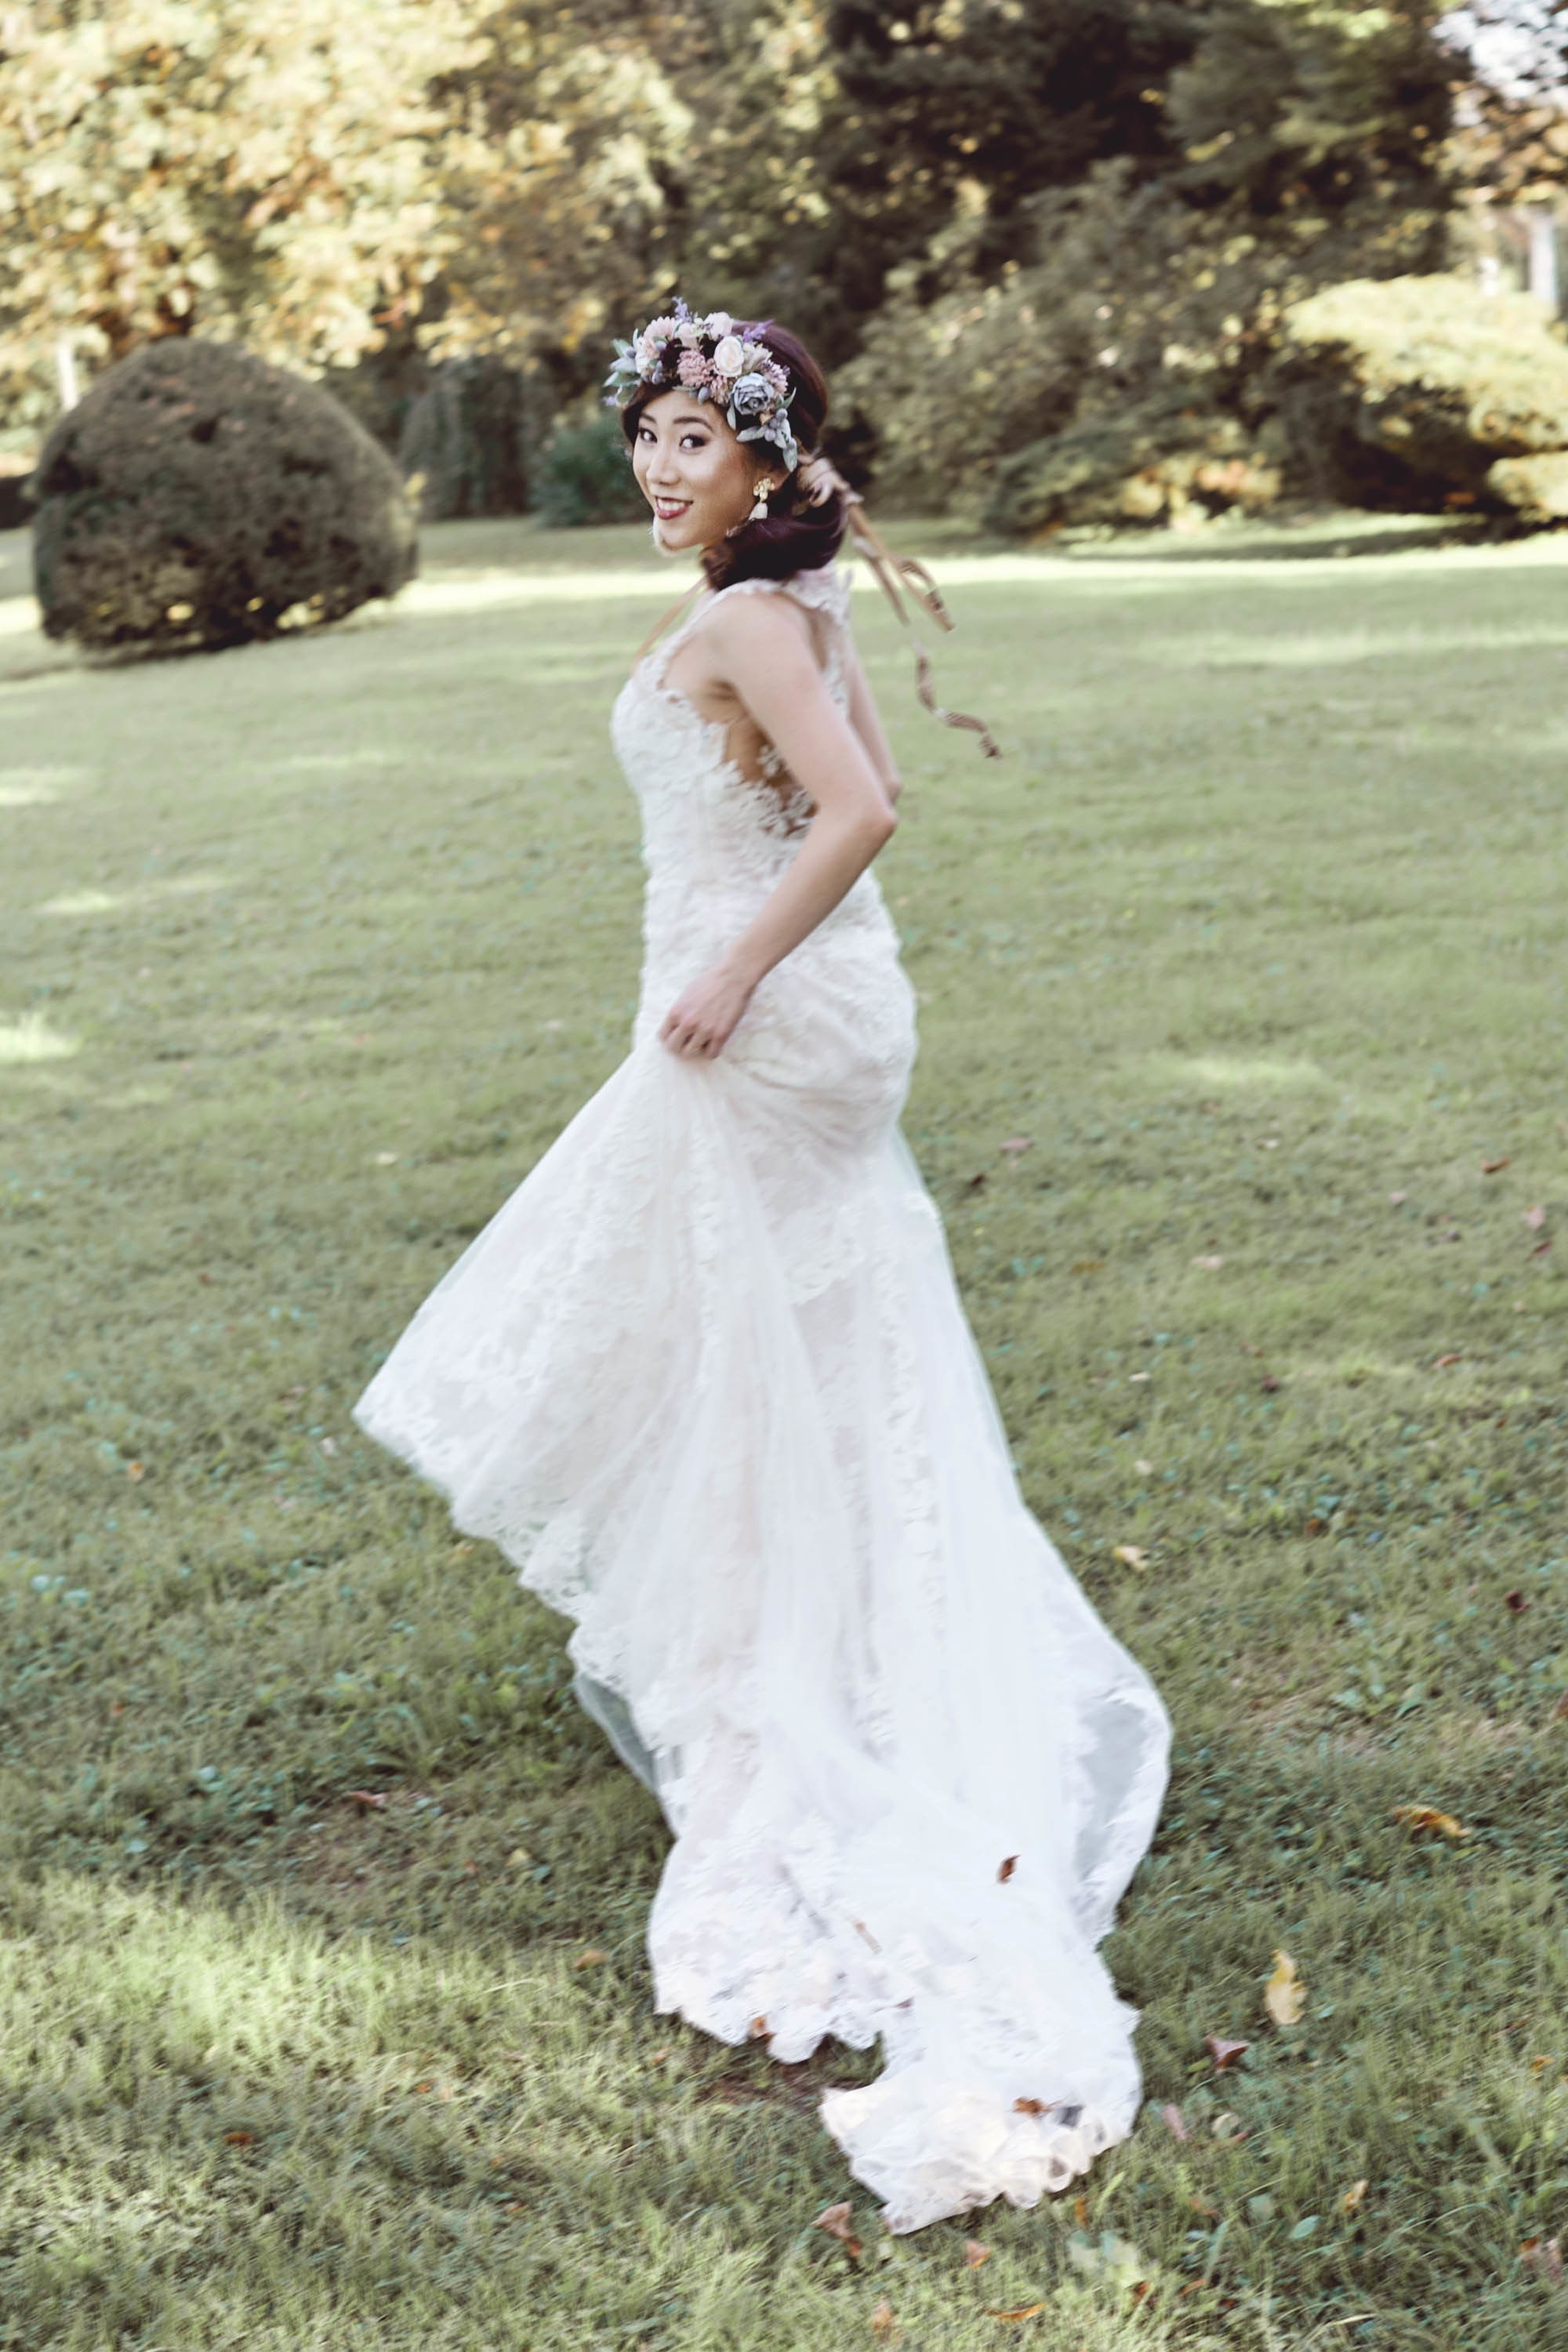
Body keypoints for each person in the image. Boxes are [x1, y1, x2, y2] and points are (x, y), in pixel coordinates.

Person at [353, 303, 1171, 2236]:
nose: (660, 465)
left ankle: (781, 1674)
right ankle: (794, 1630)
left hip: (759, 1016)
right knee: (772, 1343)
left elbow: (866, 805)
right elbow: (852, 780)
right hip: (811, 1010)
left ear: (768, 459)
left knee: (678, 1322)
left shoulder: (750, 617)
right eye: (648, 431)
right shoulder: (786, 603)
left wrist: (730, 967)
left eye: (696, 440)